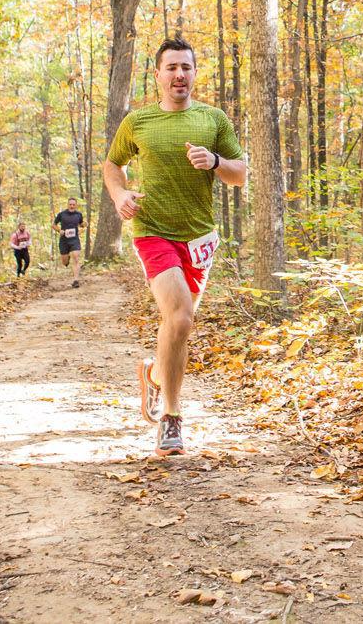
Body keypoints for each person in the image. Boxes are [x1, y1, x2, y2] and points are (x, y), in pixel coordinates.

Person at [104, 37, 246, 457]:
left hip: (199, 237)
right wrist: (119, 194)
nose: (179, 75)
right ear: (158, 75)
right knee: (181, 317)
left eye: (186, 67)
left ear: (195, 73)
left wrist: (216, 162)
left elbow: (240, 174)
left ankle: (153, 376)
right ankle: (171, 417)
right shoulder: (138, 122)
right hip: (152, 230)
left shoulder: (213, 119)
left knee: (177, 325)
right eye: (171, 67)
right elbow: (113, 164)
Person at [53, 198, 84, 288]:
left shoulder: (79, 214)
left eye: (73, 204)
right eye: (70, 204)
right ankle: (67, 258)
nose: (72, 206)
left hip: (74, 240)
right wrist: (59, 230)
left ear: (76, 205)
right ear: (68, 205)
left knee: (76, 258)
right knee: (65, 262)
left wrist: (84, 224)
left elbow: (81, 224)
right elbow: (54, 225)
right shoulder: (62, 214)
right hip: (64, 241)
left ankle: (76, 280)